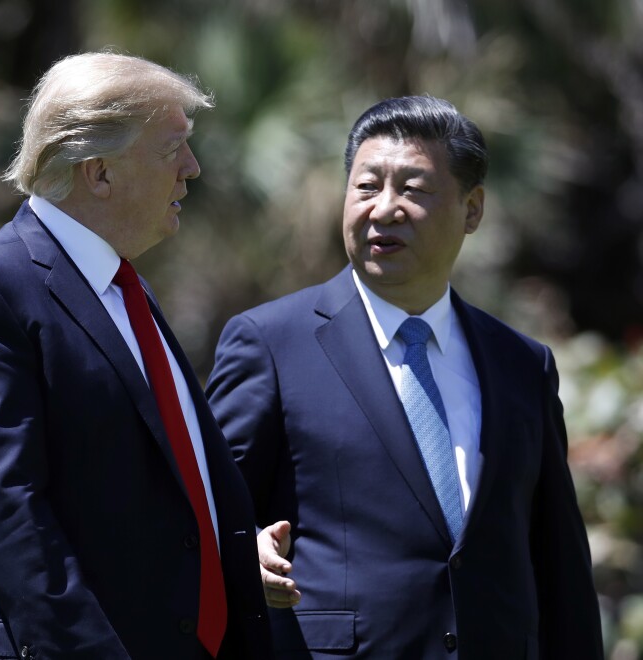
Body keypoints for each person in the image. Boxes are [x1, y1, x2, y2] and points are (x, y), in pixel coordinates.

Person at [0, 51, 273, 660]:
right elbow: (13, 525)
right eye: (172, 148)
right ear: (99, 172)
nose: (193, 169)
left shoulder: (128, 293)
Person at [206, 96, 603, 659]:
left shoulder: (522, 364)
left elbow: (558, 563)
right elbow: (202, 518)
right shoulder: (270, 344)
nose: (384, 208)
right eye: (366, 186)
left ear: (472, 210)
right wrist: (243, 556)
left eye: (413, 190)